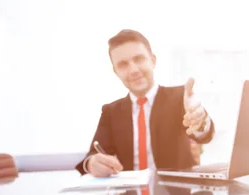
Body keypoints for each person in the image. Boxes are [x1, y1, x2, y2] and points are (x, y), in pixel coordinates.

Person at [75, 29, 215, 177]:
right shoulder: (111, 112)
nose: (133, 70)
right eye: (123, 64)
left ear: (153, 60)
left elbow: (205, 135)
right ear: (115, 71)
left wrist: (200, 122)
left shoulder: (180, 97)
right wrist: (92, 163)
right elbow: (91, 156)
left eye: (139, 59)